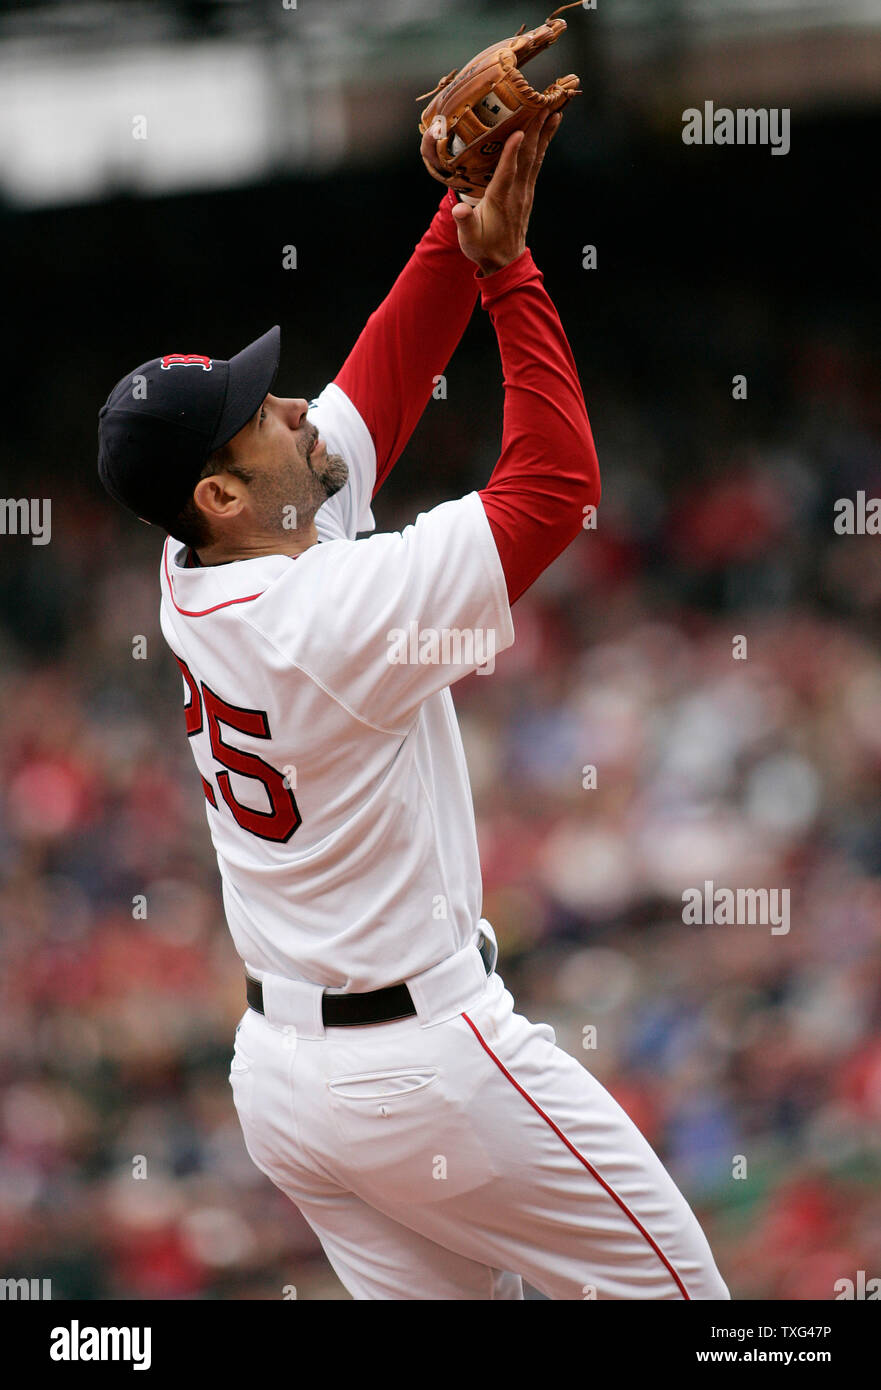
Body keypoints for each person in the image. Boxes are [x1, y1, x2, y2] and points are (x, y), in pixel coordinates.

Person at [97, 111, 729, 1300]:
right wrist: (507, 271)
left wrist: (459, 206)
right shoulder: (321, 614)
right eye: (261, 413)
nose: (295, 408)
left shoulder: (201, 561)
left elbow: (374, 392)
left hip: (291, 1085)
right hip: (423, 1062)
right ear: (223, 488)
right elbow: (551, 491)